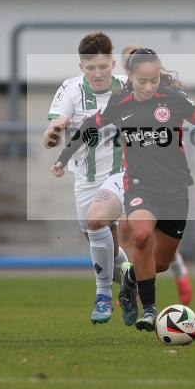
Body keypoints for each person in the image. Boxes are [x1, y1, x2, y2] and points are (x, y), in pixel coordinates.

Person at [53, 48, 195, 331]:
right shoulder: (121, 104)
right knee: (141, 237)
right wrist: (63, 158)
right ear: (130, 76)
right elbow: (87, 127)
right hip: (139, 185)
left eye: (154, 80)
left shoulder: (172, 99)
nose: (148, 86)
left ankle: (130, 279)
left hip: (175, 189)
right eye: (142, 80)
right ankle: (150, 310)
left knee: (161, 263)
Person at [43, 32, 132, 324]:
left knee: (97, 223)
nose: (97, 73)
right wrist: (55, 130)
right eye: (91, 67)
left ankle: (103, 294)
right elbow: (49, 140)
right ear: (81, 67)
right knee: (100, 241)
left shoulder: (128, 89)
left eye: (103, 67)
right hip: (85, 176)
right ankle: (130, 277)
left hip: (122, 173)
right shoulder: (69, 90)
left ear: (113, 64)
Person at [120, 45, 193, 305]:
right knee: (136, 234)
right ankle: (146, 306)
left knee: (159, 260)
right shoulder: (120, 96)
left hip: (171, 185)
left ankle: (135, 276)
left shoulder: (169, 96)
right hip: (135, 180)